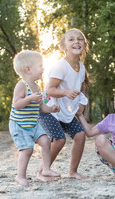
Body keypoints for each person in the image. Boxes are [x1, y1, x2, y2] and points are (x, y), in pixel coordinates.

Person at [38, 28, 89, 180]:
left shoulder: (81, 68)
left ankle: (73, 171)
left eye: (80, 39)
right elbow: (50, 90)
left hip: (64, 111)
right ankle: (42, 171)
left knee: (80, 135)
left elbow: (78, 89)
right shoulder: (60, 66)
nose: (76, 42)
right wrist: (66, 92)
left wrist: (81, 103)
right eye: (71, 39)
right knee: (59, 140)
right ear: (63, 47)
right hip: (49, 110)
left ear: (85, 45)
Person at [9, 50, 61, 186]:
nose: (43, 69)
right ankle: (20, 176)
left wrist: (51, 109)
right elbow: (16, 104)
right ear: (28, 69)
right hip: (19, 124)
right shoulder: (21, 85)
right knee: (27, 149)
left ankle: (46, 169)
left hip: (32, 123)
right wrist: (30, 98)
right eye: (40, 66)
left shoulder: (36, 87)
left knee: (46, 141)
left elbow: (41, 107)